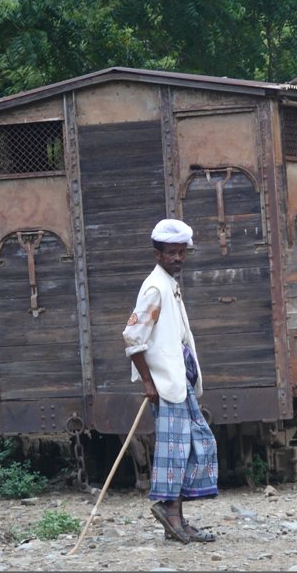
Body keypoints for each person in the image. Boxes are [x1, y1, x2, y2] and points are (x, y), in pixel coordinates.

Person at [122, 218, 218, 544]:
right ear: (157, 254)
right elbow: (133, 339)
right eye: (172, 253)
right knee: (175, 452)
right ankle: (171, 514)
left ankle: (176, 516)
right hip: (166, 386)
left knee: (193, 446)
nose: (178, 258)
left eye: (182, 252)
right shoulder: (154, 288)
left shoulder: (170, 284)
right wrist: (148, 382)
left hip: (181, 383)